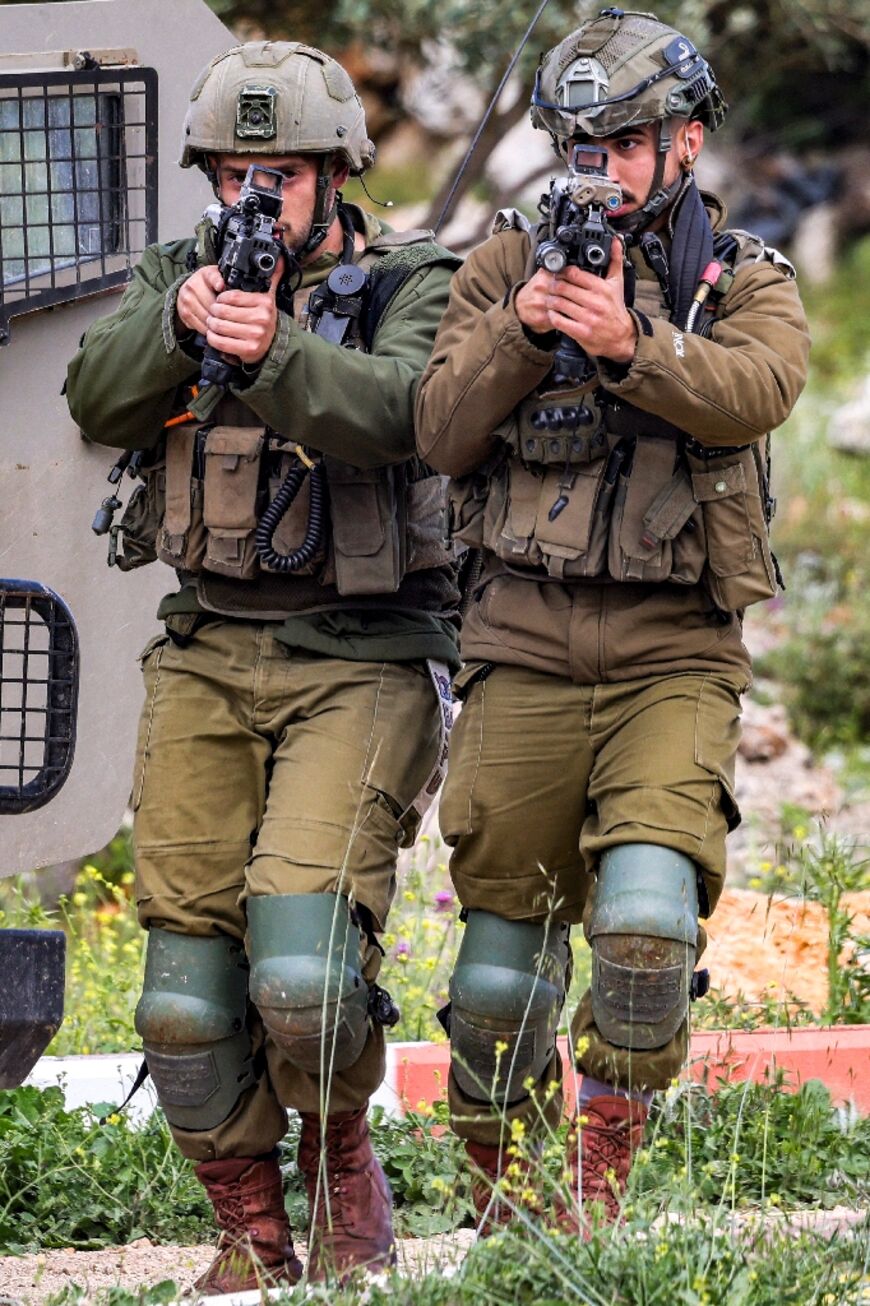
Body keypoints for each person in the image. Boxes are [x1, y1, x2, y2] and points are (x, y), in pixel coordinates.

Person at [67, 41, 460, 1292]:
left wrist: (274, 345)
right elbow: (94, 397)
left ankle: (340, 1160)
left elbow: (403, 412)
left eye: (279, 174)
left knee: (301, 972)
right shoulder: (178, 277)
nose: (255, 199)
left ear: (334, 172)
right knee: (181, 1001)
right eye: (234, 174)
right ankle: (248, 1230)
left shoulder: (415, 279)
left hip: (364, 656)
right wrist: (183, 325)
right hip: (206, 648)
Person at [416, 6, 809, 1232]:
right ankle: (507, 1203)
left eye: (628, 143)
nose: (602, 168)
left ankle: (594, 1190)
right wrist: (525, 333)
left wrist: (639, 345)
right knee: (494, 980)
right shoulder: (499, 266)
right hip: (523, 644)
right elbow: (437, 429)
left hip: (673, 655)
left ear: (685, 143)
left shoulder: (738, 276)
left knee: (643, 933)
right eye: (581, 145)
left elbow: (761, 389)